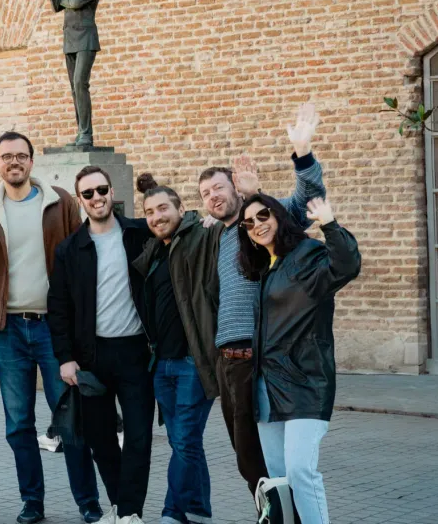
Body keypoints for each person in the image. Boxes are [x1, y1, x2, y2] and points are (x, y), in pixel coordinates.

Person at [0, 132, 102, 524]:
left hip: (54, 328)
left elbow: (82, 256)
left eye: (21, 155)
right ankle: (32, 502)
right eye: (5, 156)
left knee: (70, 421)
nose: (13, 162)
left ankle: (89, 503)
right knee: (18, 425)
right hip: (8, 331)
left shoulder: (60, 202)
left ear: (31, 162)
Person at [198, 102, 326, 498]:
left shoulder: (267, 222)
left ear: (236, 187)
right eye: (205, 194)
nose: (213, 197)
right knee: (248, 463)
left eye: (219, 187)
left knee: (265, 464)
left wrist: (301, 153)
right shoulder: (218, 235)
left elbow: (309, 198)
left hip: (260, 356)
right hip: (227, 361)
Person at [237, 195, 360, 524]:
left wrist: (330, 224)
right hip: (267, 386)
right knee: (279, 480)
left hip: (305, 381)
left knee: (300, 471)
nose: (257, 225)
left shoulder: (305, 254)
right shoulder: (267, 268)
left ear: (277, 215)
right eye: (249, 222)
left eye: (263, 215)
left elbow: (346, 266)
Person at [48, 166, 153, 524]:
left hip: (136, 352)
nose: (97, 198)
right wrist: (65, 359)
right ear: (80, 201)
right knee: (101, 439)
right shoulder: (70, 249)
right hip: (91, 357)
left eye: (102, 190)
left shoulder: (140, 234)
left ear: (112, 193)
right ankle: (122, 507)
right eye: (88, 194)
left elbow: (175, 226)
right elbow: (58, 308)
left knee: (139, 436)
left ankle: (128, 514)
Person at [131, 175, 223, 524]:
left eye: (164, 208)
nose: (156, 217)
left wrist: (210, 220)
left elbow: (222, 232)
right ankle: (198, 509)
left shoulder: (200, 236)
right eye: (150, 212)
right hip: (163, 364)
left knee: (185, 440)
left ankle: (173, 512)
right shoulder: (154, 251)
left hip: (192, 362)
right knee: (184, 443)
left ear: (181, 209)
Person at [48, 0, 104, 147]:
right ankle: (81, 133)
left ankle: (87, 133)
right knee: (74, 88)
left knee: (81, 82)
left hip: (86, 38)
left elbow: (76, 2)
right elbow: (58, 5)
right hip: (70, 39)